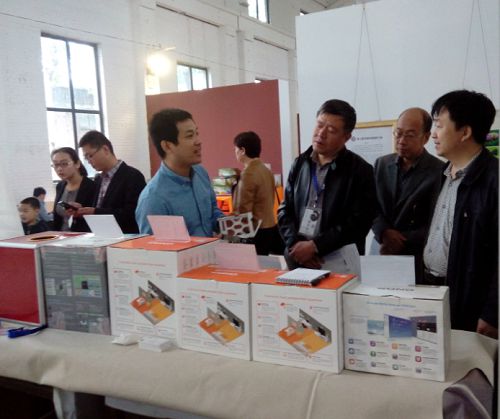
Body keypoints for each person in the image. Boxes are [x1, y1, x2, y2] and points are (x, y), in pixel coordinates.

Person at [423, 90, 498, 338]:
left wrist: (493, 313)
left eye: (439, 125)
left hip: (471, 301)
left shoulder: (494, 180)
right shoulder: (442, 174)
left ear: (464, 132)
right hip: (433, 291)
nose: (433, 134)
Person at [278, 99, 377, 269]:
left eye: (331, 130)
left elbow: (359, 223)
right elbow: (285, 210)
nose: (321, 133)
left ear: (346, 137)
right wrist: (295, 245)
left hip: (337, 261)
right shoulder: (300, 163)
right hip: (297, 257)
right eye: (319, 125)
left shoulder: (360, 170)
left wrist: (315, 246)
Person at [371, 108, 444, 281]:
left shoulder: (439, 171)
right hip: (381, 247)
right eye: (398, 133)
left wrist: (399, 240)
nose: (402, 141)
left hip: (416, 254)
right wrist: (383, 232)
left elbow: (437, 221)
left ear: (426, 137)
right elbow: (370, 205)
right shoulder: (382, 164)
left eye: (410, 135)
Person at [135, 108, 223, 237]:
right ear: (167, 146)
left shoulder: (200, 173)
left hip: (212, 249)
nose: (198, 141)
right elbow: (156, 248)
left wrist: (227, 223)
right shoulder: (154, 199)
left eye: (197, 133)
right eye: (190, 136)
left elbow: (213, 211)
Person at [76, 131, 146, 234]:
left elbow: (132, 213)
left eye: (90, 156)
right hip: (101, 236)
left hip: (125, 237)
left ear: (105, 149)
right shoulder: (98, 179)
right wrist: (83, 210)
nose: (89, 162)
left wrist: (95, 212)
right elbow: (98, 207)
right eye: (86, 158)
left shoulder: (133, 176)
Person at [233, 131, 284, 255]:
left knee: (254, 265)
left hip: (256, 231)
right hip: (270, 226)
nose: (235, 152)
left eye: (235, 149)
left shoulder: (248, 173)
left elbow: (243, 209)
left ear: (242, 150)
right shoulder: (266, 170)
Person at [51, 147, 96, 232]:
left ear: (77, 164)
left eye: (64, 164)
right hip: (61, 236)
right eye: (56, 165)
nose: (59, 169)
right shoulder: (60, 186)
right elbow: (57, 218)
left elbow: (96, 216)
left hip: (83, 235)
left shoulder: (92, 186)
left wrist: (81, 211)